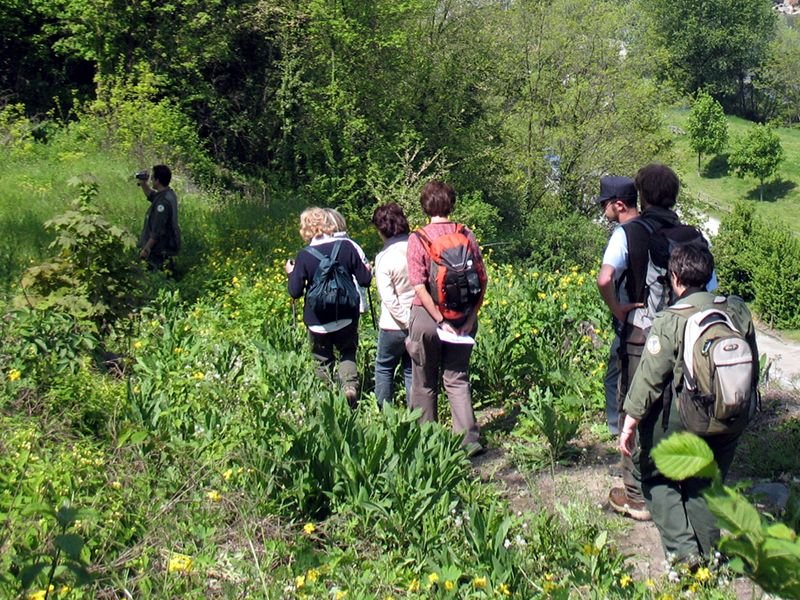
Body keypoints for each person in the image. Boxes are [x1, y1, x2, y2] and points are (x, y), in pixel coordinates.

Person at [620, 244, 758, 566]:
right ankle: (710, 556)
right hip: (731, 414)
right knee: (706, 482)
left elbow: (649, 377)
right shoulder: (738, 310)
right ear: (708, 276)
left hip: (688, 417)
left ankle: (684, 556)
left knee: (656, 476)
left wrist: (630, 423)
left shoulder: (671, 319)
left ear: (675, 278)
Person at [406, 180, 487, 452]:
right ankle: (469, 441)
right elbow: (482, 278)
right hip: (462, 316)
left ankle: (427, 444)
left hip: (427, 319)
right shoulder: (465, 233)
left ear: (425, 205)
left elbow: (418, 284)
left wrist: (439, 320)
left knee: (424, 381)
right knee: (457, 378)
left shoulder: (418, 238)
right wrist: (469, 317)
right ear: (451, 203)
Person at [286, 207, 372, 405]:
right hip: (347, 313)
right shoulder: (347, 247)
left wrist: (291, 272)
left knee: (321, 358)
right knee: (347, 350)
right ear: (328, 223)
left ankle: (328, 398)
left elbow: (295, 292)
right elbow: (365, 280)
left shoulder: (304, 255)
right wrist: (367, 269)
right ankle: (350, 386)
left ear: (305, 229)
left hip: (318, 319)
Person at [595, 176, 640, 436]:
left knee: (616, 377)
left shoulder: (623, 233)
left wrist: (616, 309)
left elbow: (604, 279)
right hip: (662, 321)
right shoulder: (651, 229)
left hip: (632, 322)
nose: (603, 210)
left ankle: (618, 431)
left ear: (619, 205)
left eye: (605, 204)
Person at [371, 203, 414, 407]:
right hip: (419, 319)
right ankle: (416, 414)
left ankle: (384, 412)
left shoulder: (384, 257)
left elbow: (388, 298)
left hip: (392, 325)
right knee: (411, 369)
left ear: (381, 229)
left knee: (384, 367)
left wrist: (403, 319)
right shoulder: (417, 248)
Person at [325, 208, 370, 315]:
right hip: (354, 300)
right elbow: (365, 272)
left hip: (329, 302)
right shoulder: (352, 245)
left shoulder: (322, 246)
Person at [137, 164, 180, 270]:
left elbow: (157, 231)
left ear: (158, 180)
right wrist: (143, 184)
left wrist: (146, 249)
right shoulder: (168, 194)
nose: (151, 180)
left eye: (152, 178)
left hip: (159, 251)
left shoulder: (163, 203)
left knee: (155, 277)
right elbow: (152, 195)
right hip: (165, 249)